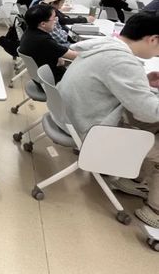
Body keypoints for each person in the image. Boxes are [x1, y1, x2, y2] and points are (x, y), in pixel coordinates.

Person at [58, 12, 159, 227]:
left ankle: (130, 180)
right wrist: (143, 87)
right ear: (153, 39)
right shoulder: (122, 61)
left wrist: (144, 82)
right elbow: (147, 112)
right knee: (152, 132)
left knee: (151, 127)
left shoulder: (104, 46)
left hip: (71, 118)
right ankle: (154, 211)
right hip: (91, 132)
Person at [19, 4, 78, 83]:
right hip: (54, 82)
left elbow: (59, 58)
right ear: (43, 24)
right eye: (53, 18)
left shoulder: (29, 32)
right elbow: (76, 56)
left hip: (42, 78)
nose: (56, 21)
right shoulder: (44, 41)